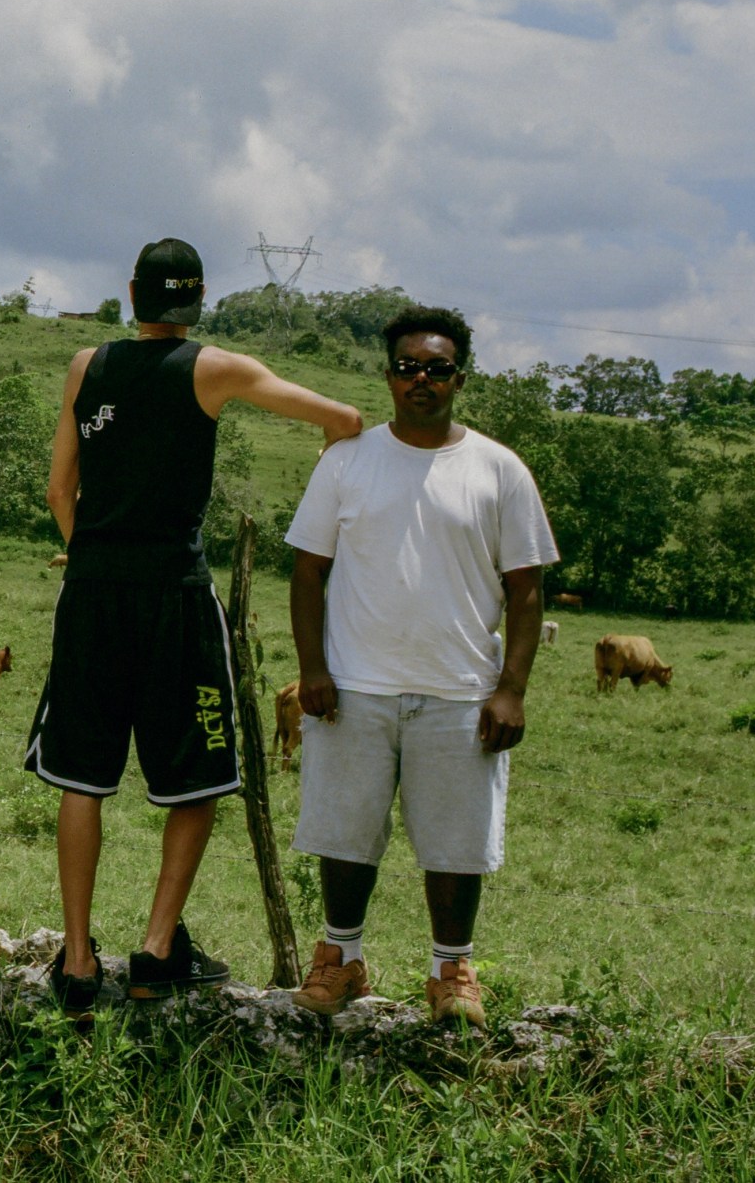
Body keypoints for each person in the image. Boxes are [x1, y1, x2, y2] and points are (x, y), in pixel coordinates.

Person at [26, 238, 363, 1016]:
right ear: (199, 298)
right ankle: (154, 949)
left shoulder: (87, 365)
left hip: (92, 591)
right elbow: (342, 417)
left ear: (133, 295)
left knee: (82, 775)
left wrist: (98, 560)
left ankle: (78, 963)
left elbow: (57, 490)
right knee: (200, 772)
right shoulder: (216, 369)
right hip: (175, 595)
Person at [283, 305, 557, 1027]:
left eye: (437, 368)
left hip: (461, 691)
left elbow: (526, 588)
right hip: (354, 685)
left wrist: (512, 688)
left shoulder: (499, 469)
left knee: (455, 839)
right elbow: (308, 571)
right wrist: (312, 667)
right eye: (408, 367)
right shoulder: (346, 461)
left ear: (459, 378)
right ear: (388, 375)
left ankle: (451, 971)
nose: (421, 379)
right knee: (343, 832)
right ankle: (339, 960)